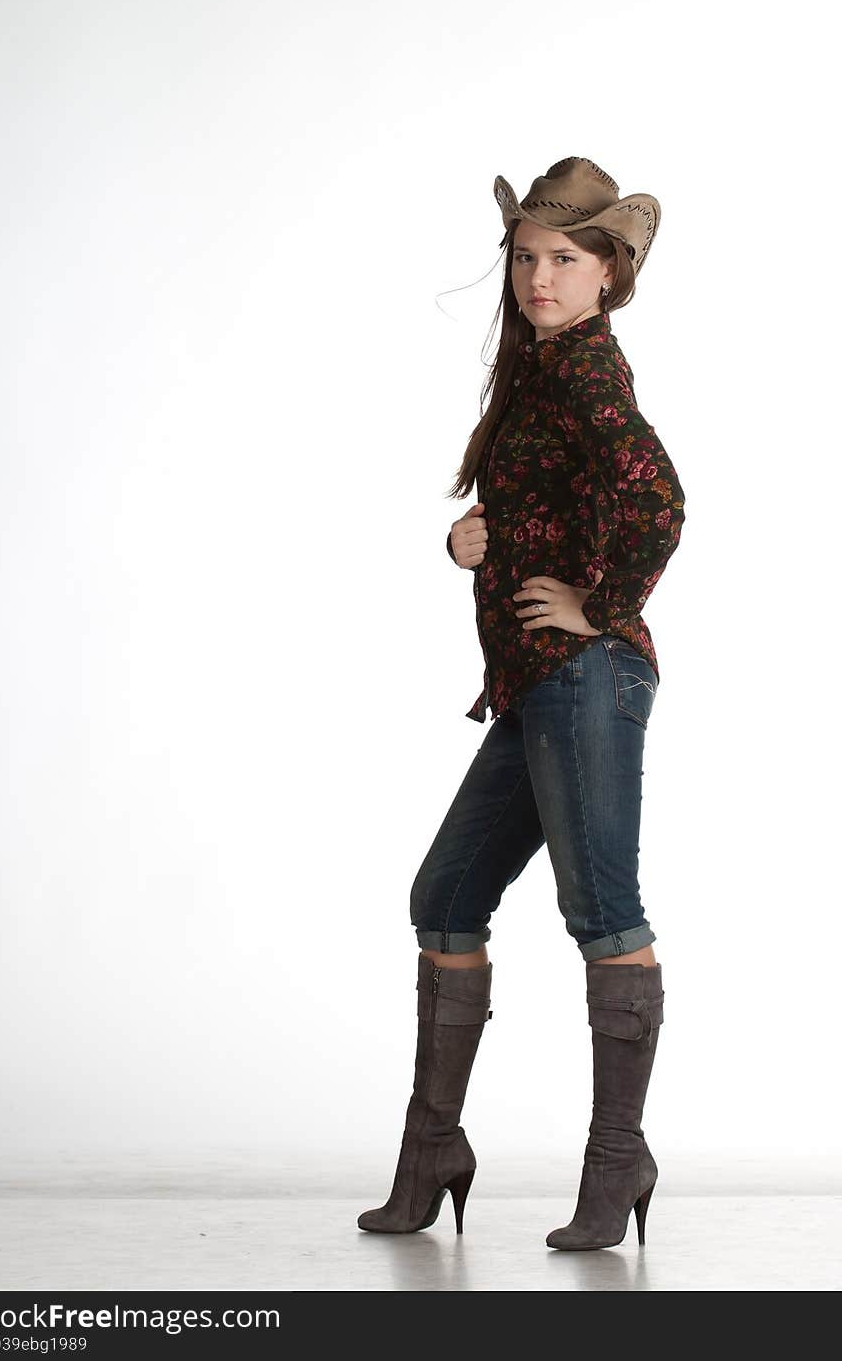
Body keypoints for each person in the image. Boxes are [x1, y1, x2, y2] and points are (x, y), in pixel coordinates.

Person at [357, 157, 686, 1250]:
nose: (538, 277)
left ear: (607, 272)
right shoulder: (540, 372)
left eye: (563, 259)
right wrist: (469, 539)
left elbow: (656, 493)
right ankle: (434, 1149)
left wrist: (601, 605)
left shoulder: (588, 370)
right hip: (536, 684)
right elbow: (547, 505)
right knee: (445, 893)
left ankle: (615, 1162)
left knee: (603, 915)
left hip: (583, 675)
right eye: (525, 256)